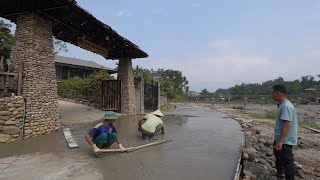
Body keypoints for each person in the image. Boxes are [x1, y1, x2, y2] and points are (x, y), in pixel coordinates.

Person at [272, 85, 298, 180]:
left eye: (273, 94)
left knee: (288, 161)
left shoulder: (286, 106)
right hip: (280, 138)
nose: (272, 96)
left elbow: (287, 124)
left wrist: (280, 142)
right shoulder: (282, 104)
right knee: (278, 155)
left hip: (284, 140)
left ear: (278, 93)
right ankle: (280, 173)